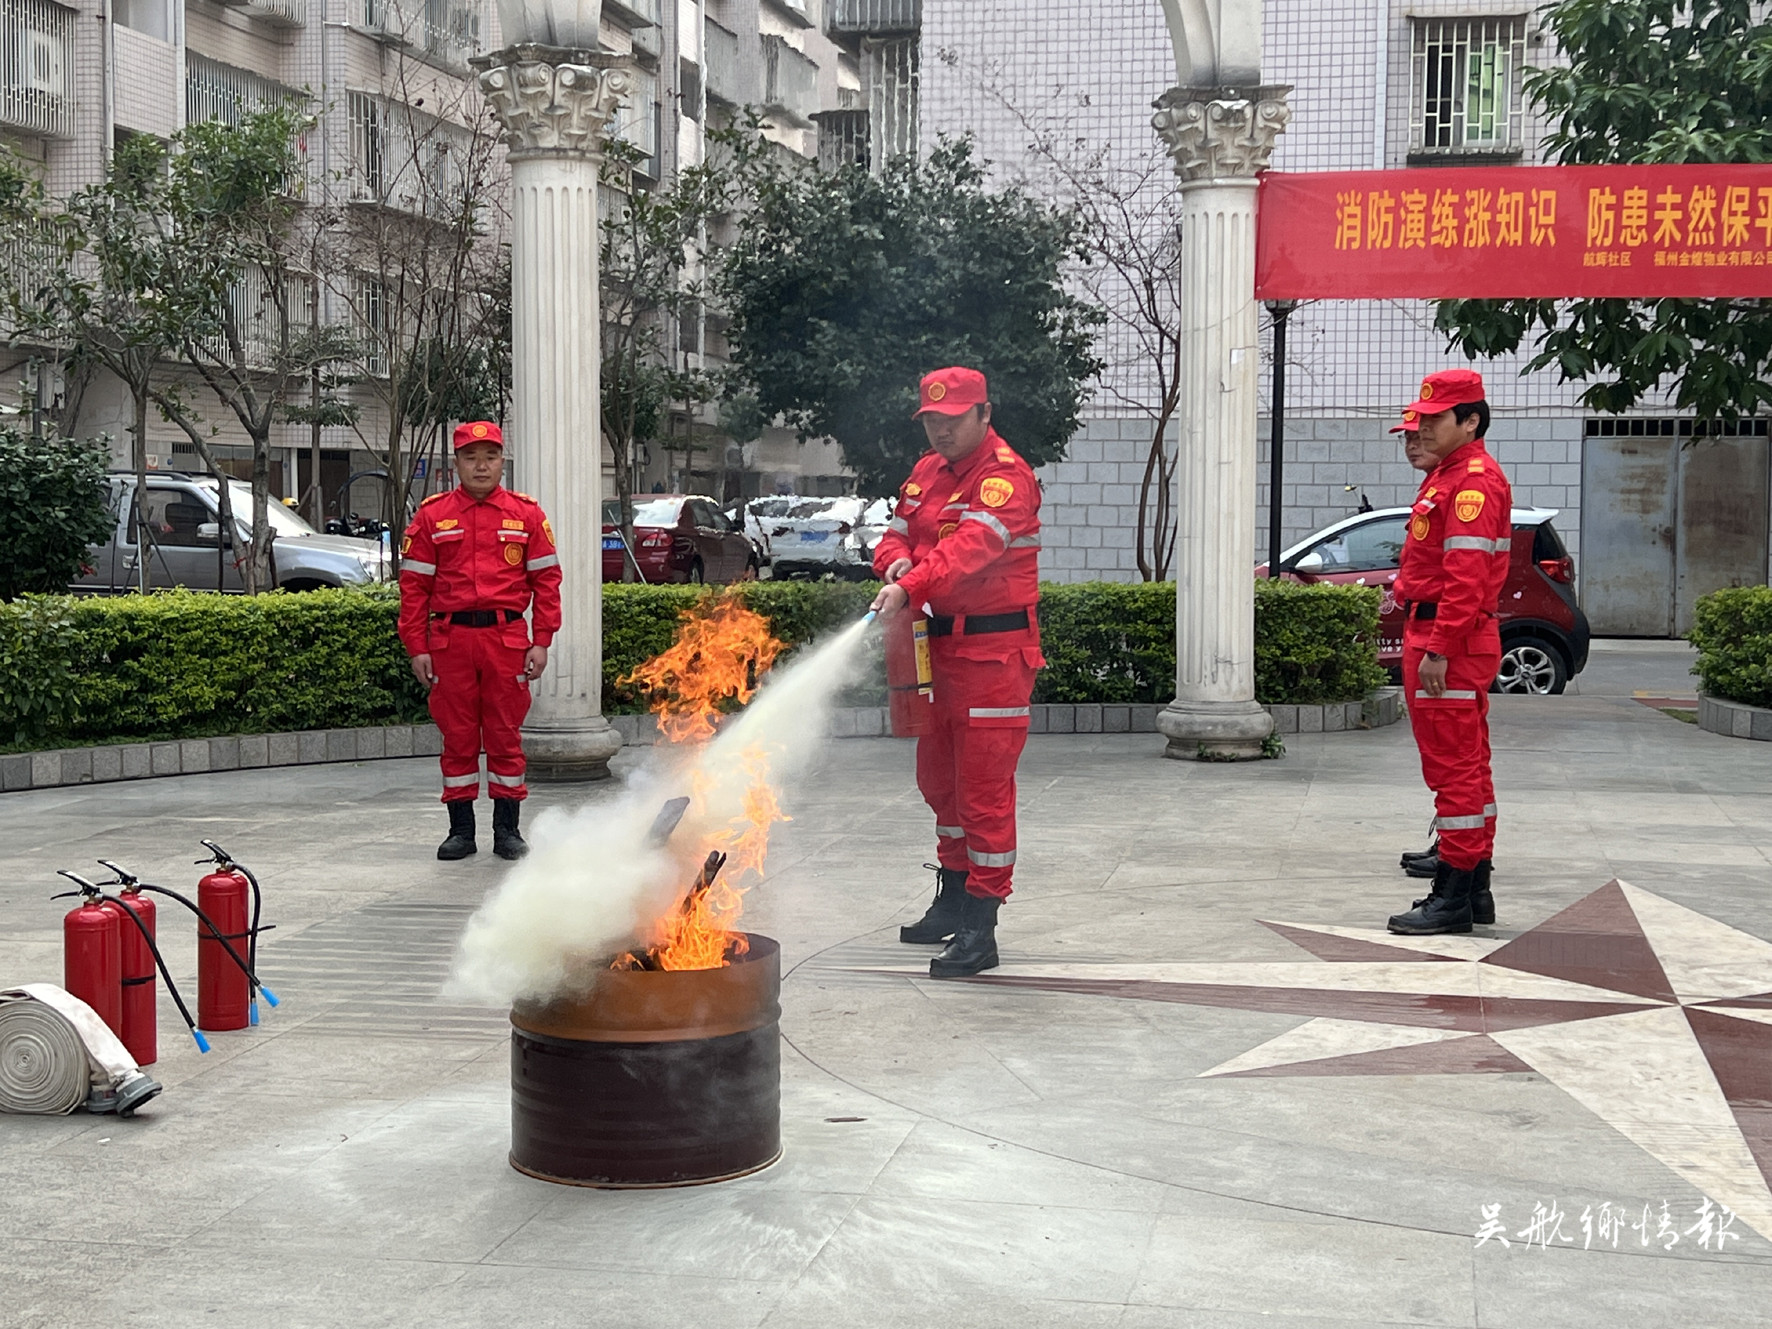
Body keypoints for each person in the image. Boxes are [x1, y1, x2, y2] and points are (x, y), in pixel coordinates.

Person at [868, 367, 1043, 978]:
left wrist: (911, 579)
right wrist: (894, 570)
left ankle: (981, 924)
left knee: (983, 794)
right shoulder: (925, 473)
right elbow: (891, 539)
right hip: (933, 654)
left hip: (994, 658)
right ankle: (951, 897)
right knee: (939, 785)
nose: (941, 432)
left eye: (953, 420)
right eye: (932, 421)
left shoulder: (1005, 477)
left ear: (984, 413)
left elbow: (968, 550)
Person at [398, 421, 561, 862]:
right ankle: (461, 831)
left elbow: (547, 582)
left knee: (506, 735)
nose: (481, 465)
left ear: (502, 461)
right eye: (471, 457)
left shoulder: (526, 515)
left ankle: (507, 830)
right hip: (450, 642)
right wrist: (417, 646)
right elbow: (413, 589)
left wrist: (541, 640)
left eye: (489, 456)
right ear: (457, 464)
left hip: (506, 639)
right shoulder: (432, 516)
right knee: (458, 737)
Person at [1385, 371, 1511, 935]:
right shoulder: (1452, 476)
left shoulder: (1471, 485)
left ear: (1471, 422)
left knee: (1452, 769)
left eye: (1436, 420)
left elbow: (1466, 578)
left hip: (1448, 642)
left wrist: (1438, 647)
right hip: (1445, 637)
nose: (1424, 428)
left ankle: (1454, 895)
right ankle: (1473, 882)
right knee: (1467, 764)